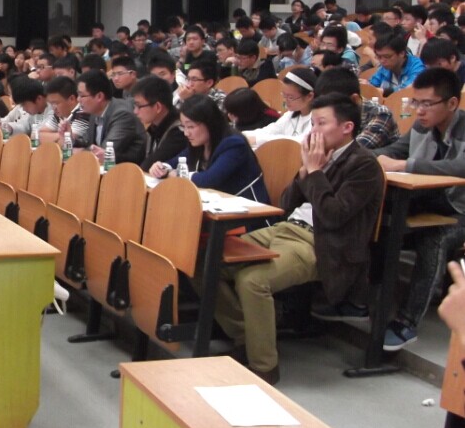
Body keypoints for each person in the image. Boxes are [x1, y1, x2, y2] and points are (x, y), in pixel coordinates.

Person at [221, 94, 383, 384]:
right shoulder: (316, 156)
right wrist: (304, 171)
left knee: (252, 280)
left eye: (321, 123)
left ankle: (264, 366)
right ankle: (249, 336)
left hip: (320, 244)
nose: (313, 131)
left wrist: (316, 171)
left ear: (347, 127)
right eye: (313, 124)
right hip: (286, 229)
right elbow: (286, 204)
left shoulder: (364, 165)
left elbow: (333, 216)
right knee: (208, 261)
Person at [372, 68, 465, 350]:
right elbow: (394, 151)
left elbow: (459, 167)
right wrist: (366, 159)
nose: (420, 110)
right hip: (428, 202)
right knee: (383, 226)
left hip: (459, 211)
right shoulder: (422, 125)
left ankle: (407, 322)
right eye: (416, 102)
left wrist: (406, 165)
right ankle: (364, 303)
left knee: (433, 238)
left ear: (452, 103)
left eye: (427, 103)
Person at [151, 95, 270, 203]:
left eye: (191, 126)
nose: (186, 133)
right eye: (184, 126)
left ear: (209, 123)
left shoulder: (234, 144)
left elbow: (209, 180)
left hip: (249, 210)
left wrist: (177, 175)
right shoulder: (201, 142)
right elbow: (176, 161)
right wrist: (162, 168)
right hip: (218, 207)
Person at [313, 67, 398, 150]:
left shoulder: (381, 114)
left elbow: (353, 150)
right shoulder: (323, 115)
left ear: (354, 99)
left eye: (333, 105)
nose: (327, 110)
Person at [76, 69, 146, 164]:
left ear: (99, 96)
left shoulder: (122, 115)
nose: (78, 99)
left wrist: (80, 152)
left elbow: (104, 152)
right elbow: (87, 142)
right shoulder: (94, 112)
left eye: (82, 96)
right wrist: (70, 138)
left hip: (128, 170)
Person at [244, 67, 318, 147]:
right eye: (284, 95)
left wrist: (258, 140)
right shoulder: (290, 114)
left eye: (290, 97)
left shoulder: (317, 118)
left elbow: (301, 141)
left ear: (309, 96)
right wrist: (242, 135)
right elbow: (270, 130)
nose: (285, 101)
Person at [131, 75, 187, 172]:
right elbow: (137, 160)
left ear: (158, 107)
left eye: (139, 106)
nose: (135, 111)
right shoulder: (154, 127)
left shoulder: (179, 131)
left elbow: (148, 166)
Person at [39, 76, 91, 148]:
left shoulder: (83, 113)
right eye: (51, 104)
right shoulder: (59, 113)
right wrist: (61, 135)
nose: (54, 108)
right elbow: (39, 135)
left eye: (56, 103)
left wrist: (58, 137)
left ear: (71, 99)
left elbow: (66, 143)